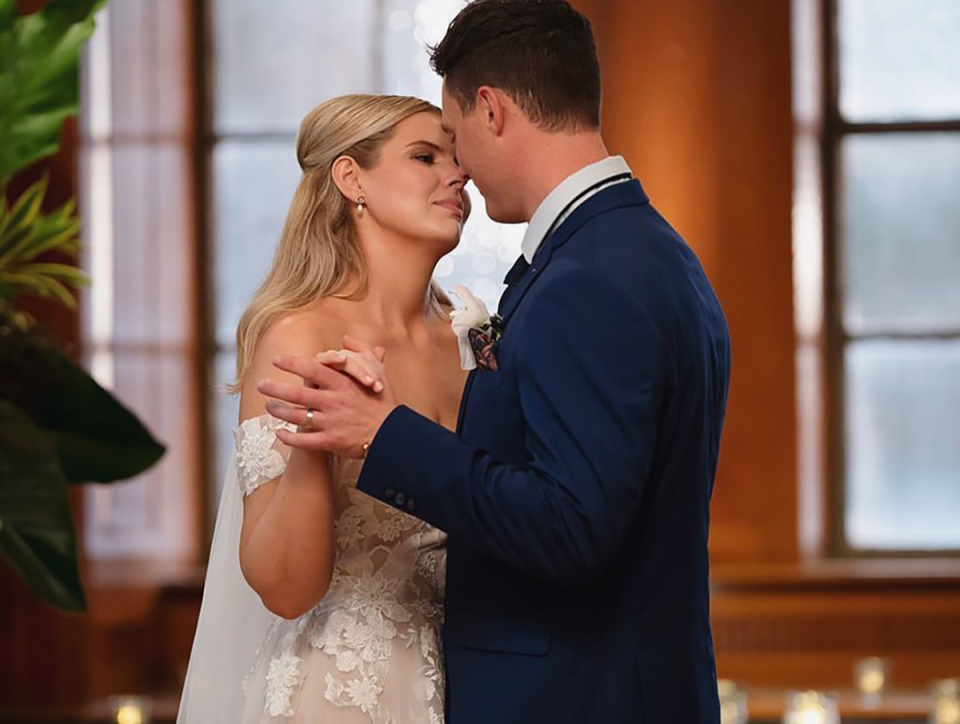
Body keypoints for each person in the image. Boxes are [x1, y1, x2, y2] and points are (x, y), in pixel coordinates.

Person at [260, 1, 732, 722]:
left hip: (576, 698)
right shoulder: (645, 253)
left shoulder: (589, 279)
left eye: (452, 140)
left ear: (492, 110)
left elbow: (572, 527)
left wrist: (385, 434)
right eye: (428, 154)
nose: (461, 173)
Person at [177, 93, 470, 724]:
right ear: (350, 178)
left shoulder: (472, 338)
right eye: (425, 156)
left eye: (458, 158)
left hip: (469, 685)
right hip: (337, 695)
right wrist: (320, 440)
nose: (457, 174)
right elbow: (284, 589)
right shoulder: (300, 337)